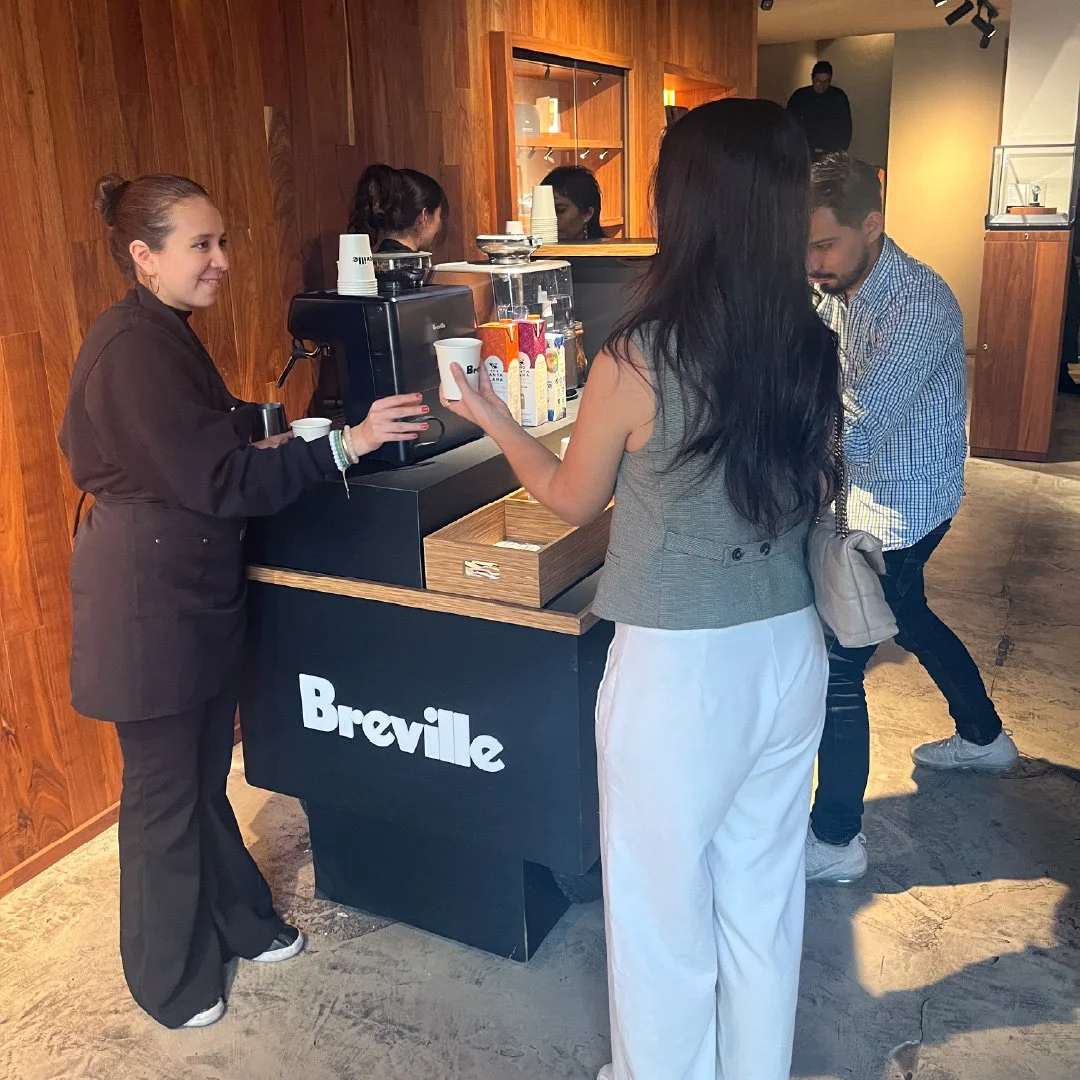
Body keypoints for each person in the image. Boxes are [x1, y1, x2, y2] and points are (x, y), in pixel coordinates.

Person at [444, 99, 838, 1080]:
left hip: (677, 668)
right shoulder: (811, 341)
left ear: (685, 201)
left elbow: (574, 501)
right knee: (763, 900)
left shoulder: (640, 355)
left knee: (661, 916)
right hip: (789, 647)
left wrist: (492, 415)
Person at [59, 173, 427, 1030]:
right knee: (161, 797)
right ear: (143, 257)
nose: (222, 261)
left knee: (197, 778)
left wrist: (269, 432)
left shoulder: (161, 334)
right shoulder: (132, 348)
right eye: (201, 245)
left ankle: (240, 921)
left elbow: (201, 441)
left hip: (184, 592)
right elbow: (215, 479)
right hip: (147, 607)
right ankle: (168, 980)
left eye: (222, 241)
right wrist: (345, 443)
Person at [804, 153, 1019, 885]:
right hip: (867, 498)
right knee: (910, 617)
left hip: (902, 507)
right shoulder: (839, 287)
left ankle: (835, 841)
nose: (812, 263)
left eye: (824, 245)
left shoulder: (918, 305)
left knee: (839, 668)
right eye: (803, 246)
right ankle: (985, 735)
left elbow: (856, 438)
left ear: (872, 224)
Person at [347, 163, 448, 253]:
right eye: (439, 215)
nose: (439, 225)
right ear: (424, 216)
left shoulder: (370, 265)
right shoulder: (423, 272)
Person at [787, 60, 852, 155]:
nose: (822, 85)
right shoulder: (800, 97)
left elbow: (845, 126)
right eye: (818, 81)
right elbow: (790, 123)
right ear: (812, 78)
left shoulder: (838, 97)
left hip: (831, 152)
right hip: (804, 150)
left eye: (826, 81)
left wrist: (840, 150)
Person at [541, 164, 605, 242]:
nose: (549, 219)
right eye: (544, 212)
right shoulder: (534, 251)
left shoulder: (606, 252)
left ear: (587, 214)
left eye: (559, 210)